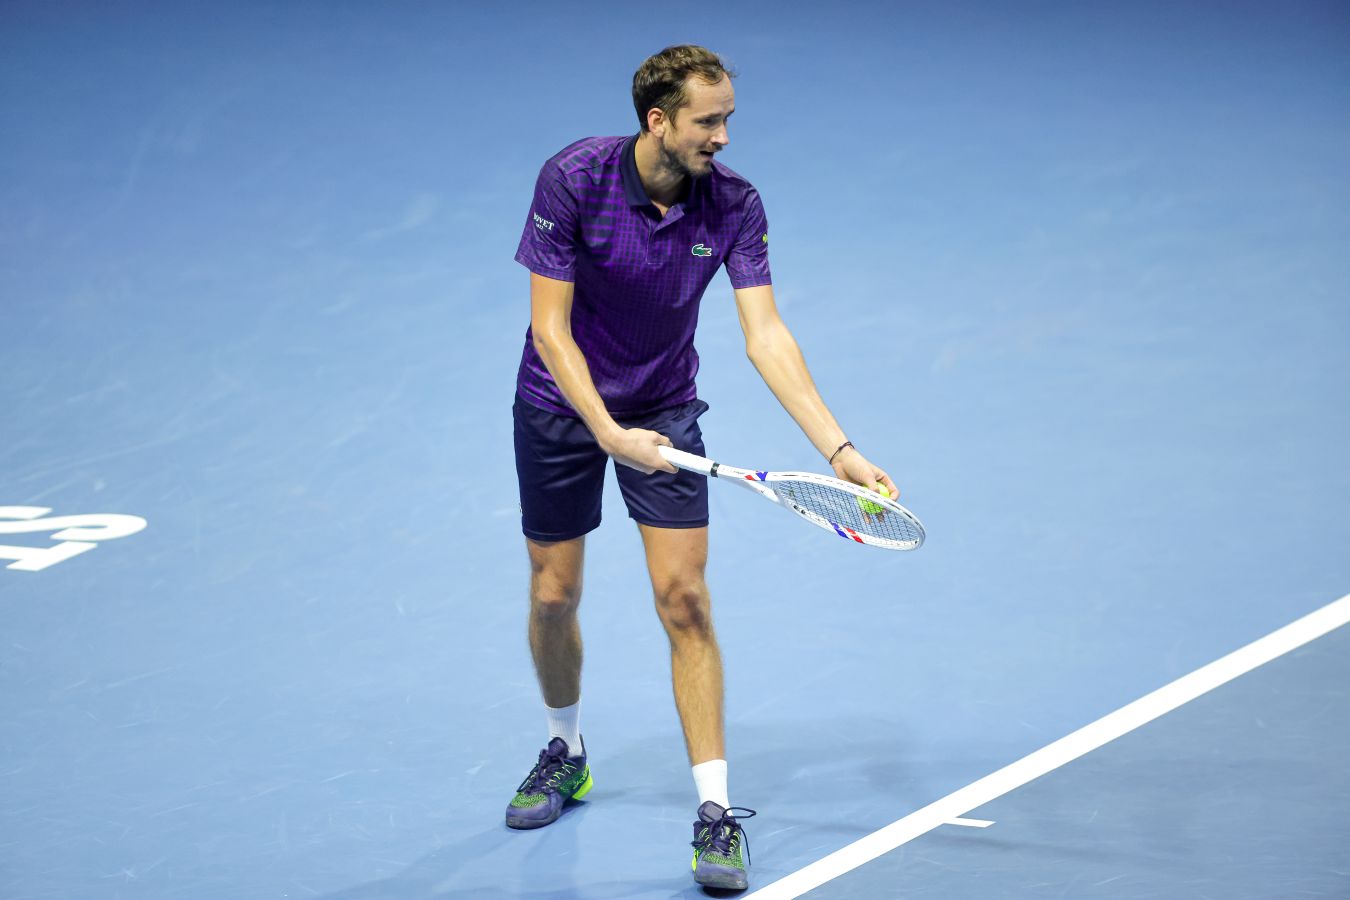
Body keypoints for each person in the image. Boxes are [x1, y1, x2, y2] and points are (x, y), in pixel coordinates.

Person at [505, 44, 899, 891]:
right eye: (707, 121)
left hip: (664, 410)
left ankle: (716, 814)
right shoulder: (573, 180)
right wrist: (607, 431)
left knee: (684, 600)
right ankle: (564, 751)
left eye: (727, 119)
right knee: (553, 594)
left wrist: (839, 449)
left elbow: (767, 335)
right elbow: (550, 329)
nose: (722, 136)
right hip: (561, 407)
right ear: (659, 120)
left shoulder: (735, 205)